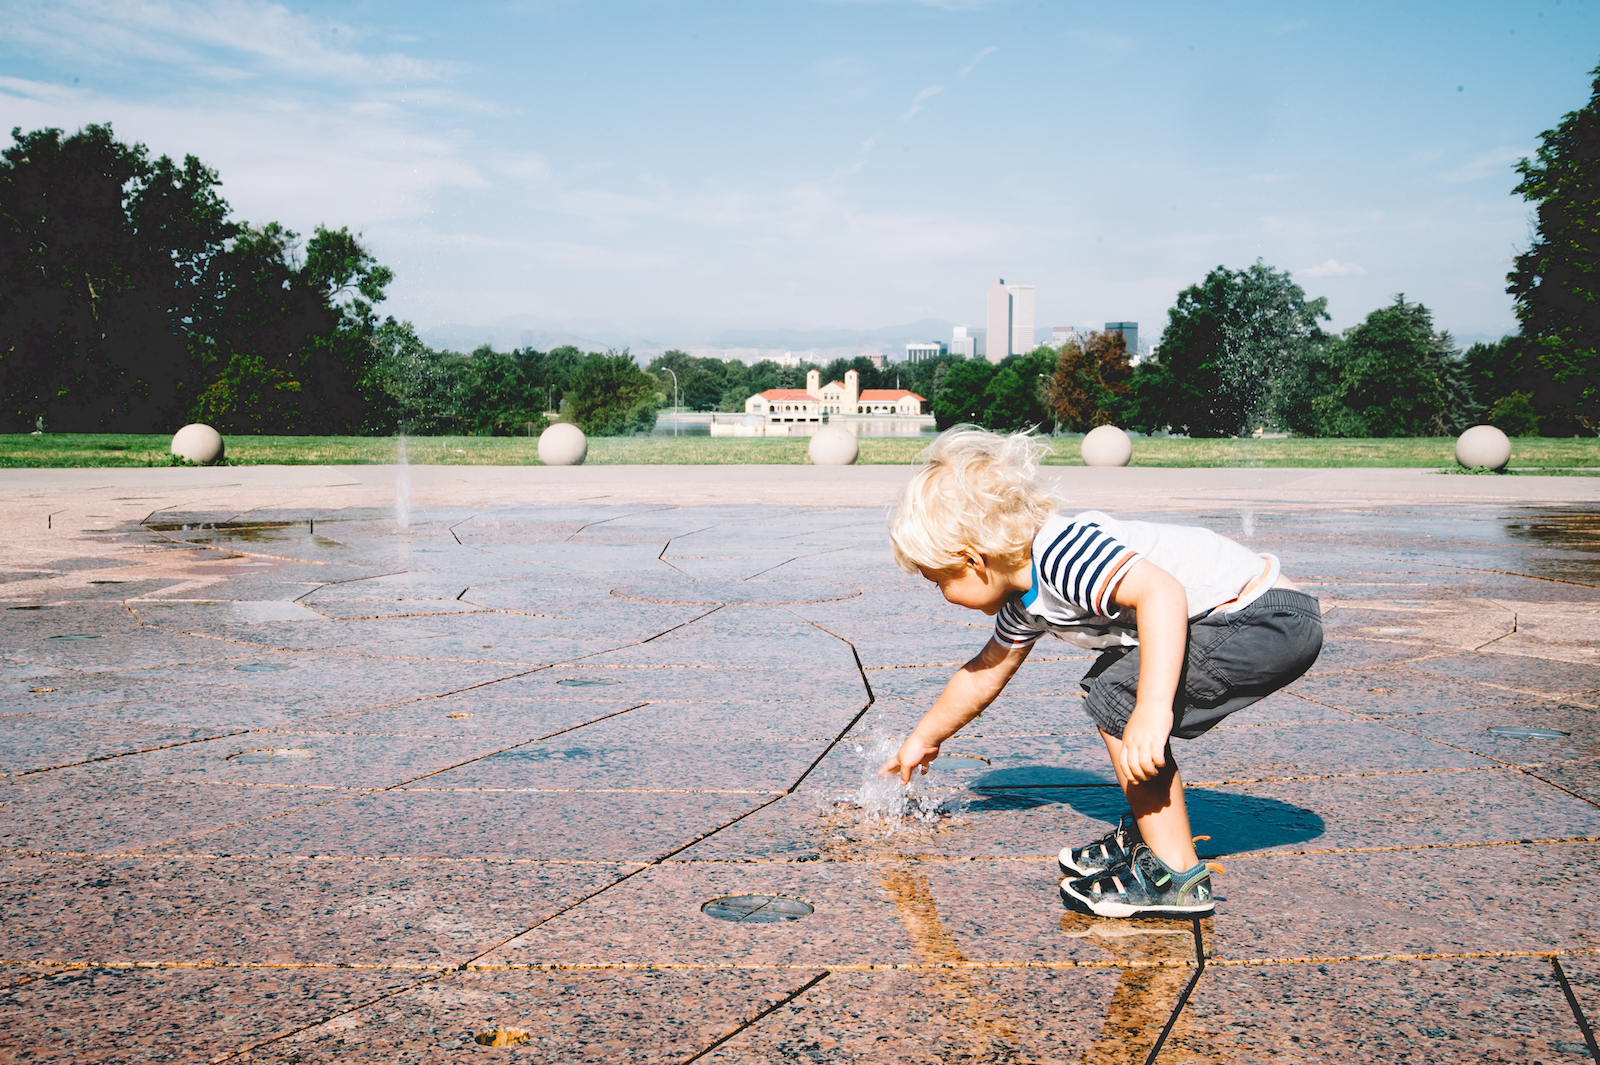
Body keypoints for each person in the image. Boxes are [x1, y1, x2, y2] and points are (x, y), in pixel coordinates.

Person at [881, 427, 1322, 917]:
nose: (940, 592)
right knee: (1110, 686)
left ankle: (1175, 876)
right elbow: (986, 670)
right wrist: (926, 736)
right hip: (1250, 618)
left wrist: (1153, 711)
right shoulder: (1026, 597)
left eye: (938, 580)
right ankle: (1152, 832)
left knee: (1119, 696)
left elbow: (1162, 594)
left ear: (972, 560)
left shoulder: (1061, 554)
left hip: (1266, 619)